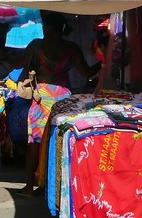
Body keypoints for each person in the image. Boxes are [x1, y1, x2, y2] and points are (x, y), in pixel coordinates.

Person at [16, 12, 98, 194]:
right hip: (63, 99)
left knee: (34, 143)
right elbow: (86, 72)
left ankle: (29, 186)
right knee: (59, 142)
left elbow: (18, 63)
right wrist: (104, 62)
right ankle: (55, 190)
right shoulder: (71, 49)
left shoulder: (36, 46)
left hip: (41, 100)